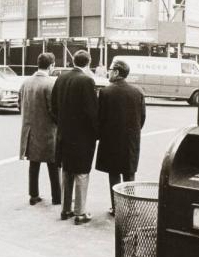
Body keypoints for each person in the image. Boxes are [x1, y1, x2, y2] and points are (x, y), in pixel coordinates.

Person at [51, 49, 99, 225]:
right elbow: (91, 112)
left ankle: (65, 209)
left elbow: (53, 106)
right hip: (82, 137)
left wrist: (61, 124)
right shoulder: (86, 80)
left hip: (64, 134)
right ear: (88, 62)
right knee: (82, 173)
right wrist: (96, 133)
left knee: (67, 171)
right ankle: (80, 213)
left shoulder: (61, 78)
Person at [96, 60, 146, 217]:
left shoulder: (105, 92)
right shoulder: (137, 92)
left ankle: (116, 208)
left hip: (111, 140)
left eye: (110, 70)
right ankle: (131, 209)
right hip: (131, 140)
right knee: (129, 174)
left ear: (116, 72)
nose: (108, 73)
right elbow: (142, 118)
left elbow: (100, 118)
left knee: (114, 174)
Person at [18, 53, 61, 207]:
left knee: (34, 164)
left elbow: (19, 105)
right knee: (54, 165)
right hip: (48, 131)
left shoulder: (26, 82)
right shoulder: (51, 84)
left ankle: (33, 195)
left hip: (30, 131)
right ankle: (57, 197)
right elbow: (54, 110)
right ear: (51, 66)